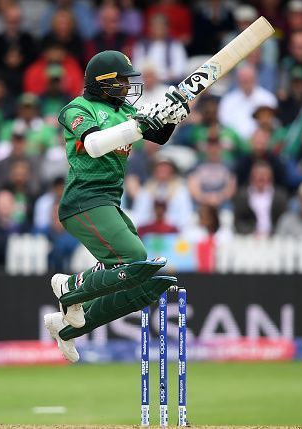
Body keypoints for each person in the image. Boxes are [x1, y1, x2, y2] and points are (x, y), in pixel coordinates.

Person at [43, 50, 191, 362]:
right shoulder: (77, 108)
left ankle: (67, 327)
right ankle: (68, 285)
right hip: (83, 201)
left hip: (107, 202)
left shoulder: (124, 109)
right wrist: (137, 125)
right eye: (121, 80)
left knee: (133, 273)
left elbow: (158, 136)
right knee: (134, 257)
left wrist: (173, 116)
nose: (127, 86)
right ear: (103, 82)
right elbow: (95, 145)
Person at [233, 160, 288, 236]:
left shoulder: (280, 196)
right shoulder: (243, 195)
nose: (261, 177)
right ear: (251, 176)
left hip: (274, 237)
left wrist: (272, 233)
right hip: (250, 237)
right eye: (258, 174)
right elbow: (238, 222)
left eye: (264, 174)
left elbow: (284, 220)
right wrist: (252, 232)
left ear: (270, 176)